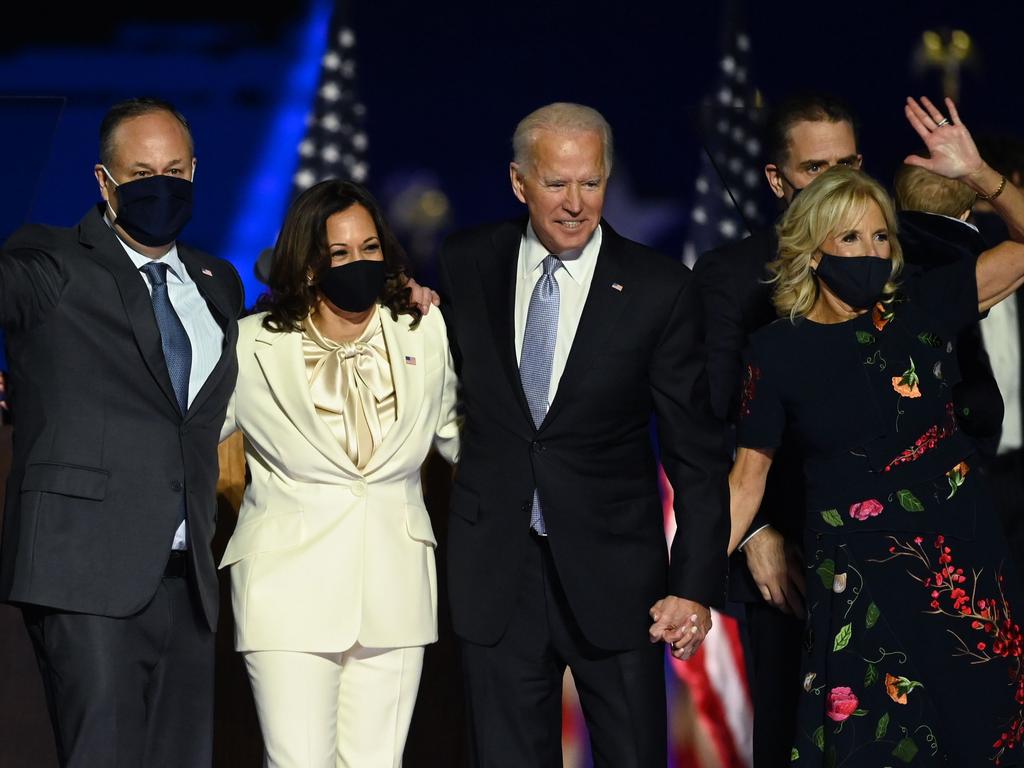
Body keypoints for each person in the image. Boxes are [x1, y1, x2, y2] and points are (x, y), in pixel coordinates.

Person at [729, 96, 1024, 766]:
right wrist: (685, 586)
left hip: (960, 573)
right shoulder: (776, 350)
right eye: (851, 238)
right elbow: (745, 480)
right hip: (858, 584)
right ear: (811, 250)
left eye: (881, 236)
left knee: (979, 740)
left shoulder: (921, 306)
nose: (870, 252)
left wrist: (980, 174)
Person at [437, 102, 731, 767]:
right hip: (497, 578)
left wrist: (692, 584)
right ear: (519, 183)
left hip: (619, 583)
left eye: (591, 182)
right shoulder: (466, 262)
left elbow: (696, 453)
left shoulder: (660, 288)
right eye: (556, 184)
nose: (576, 203)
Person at [0, 97, 244, 766]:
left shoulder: (216, 281)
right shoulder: (49, 263)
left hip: (188, 575)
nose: (158, 186)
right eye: (139, 174)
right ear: (104, 182)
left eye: (173, 170)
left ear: (194, 172)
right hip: (84, 570)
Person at [219, 178, 460, 768]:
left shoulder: (423, 329)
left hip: (396, 589)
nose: (360, 263)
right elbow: (187, 436)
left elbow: (461, 437)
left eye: (371, 248)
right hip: (286, 591)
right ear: (307, 265)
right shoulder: (251, 345)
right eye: (341, 254)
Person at [694, 91, 862, 765]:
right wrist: (754, 535)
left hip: (897, 557)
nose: (838, 184)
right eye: (816, 169)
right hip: (785, 558)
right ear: (776, 179)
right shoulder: (731, 278)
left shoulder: (899, 264)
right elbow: (703, 424)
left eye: (849, 163)